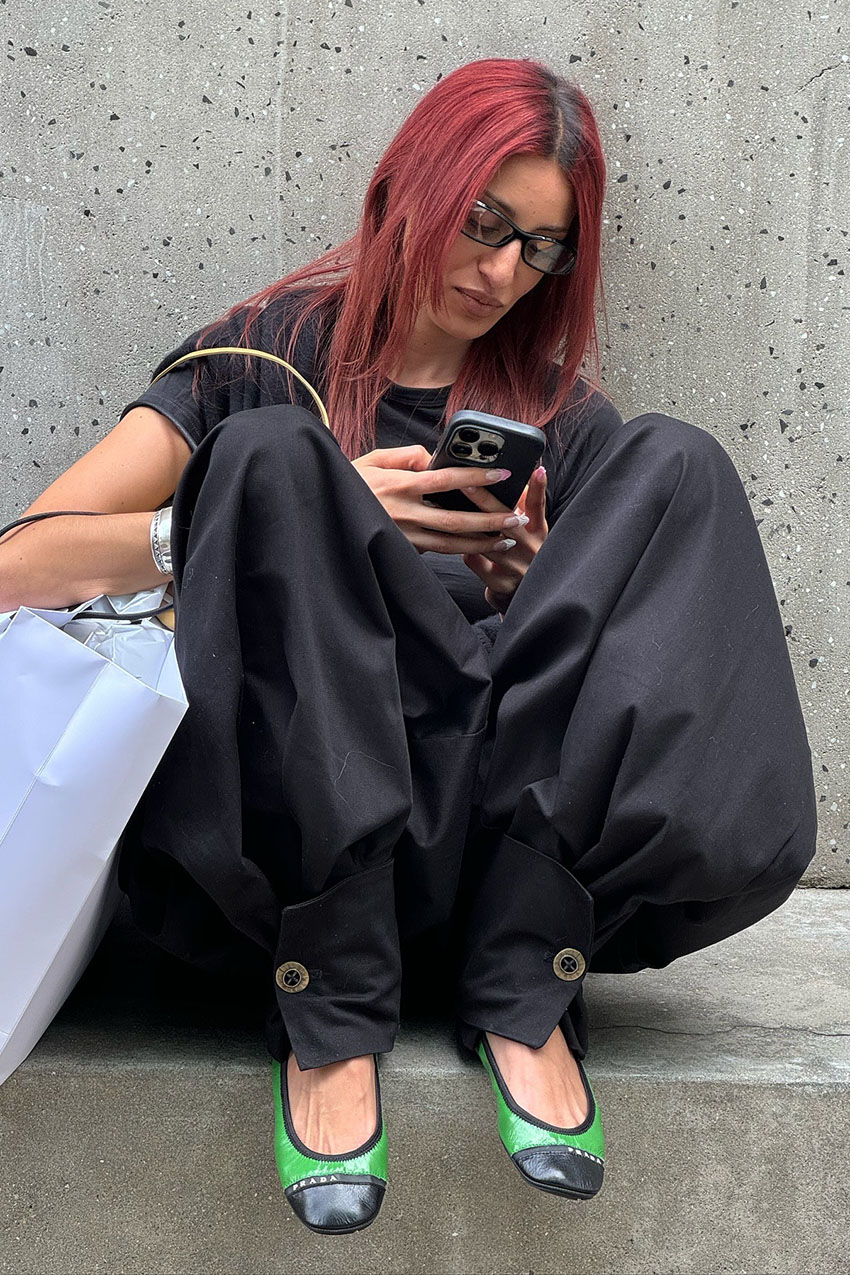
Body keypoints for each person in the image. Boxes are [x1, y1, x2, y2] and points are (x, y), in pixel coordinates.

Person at [0, 58, 816, 1235]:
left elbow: (611, 671)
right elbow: (19, 563)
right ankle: (329, 1008)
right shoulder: (259, 358)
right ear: (406, 187)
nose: (501, 273)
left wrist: (537, 589)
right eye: (485, 226)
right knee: (278, 464)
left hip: (493, 849)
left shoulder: (553, 414)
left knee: (677, 461)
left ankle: (526, 982)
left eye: (539, 250)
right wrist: (272, 522)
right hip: (294, 853)